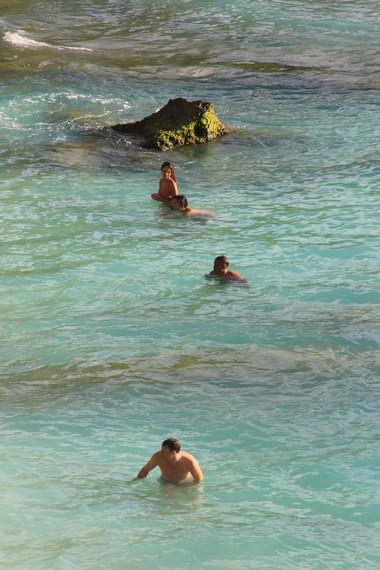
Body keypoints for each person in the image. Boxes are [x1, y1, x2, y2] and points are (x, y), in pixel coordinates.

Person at [135, 438, 204, 483]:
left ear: (173, 453)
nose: (160, 452)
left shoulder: (189, 461)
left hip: (184, 483)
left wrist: (190, 489)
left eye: (164, 451)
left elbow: (199, 479)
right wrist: (135, 481)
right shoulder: (158, 457)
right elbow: (145, 470)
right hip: (165, 482)